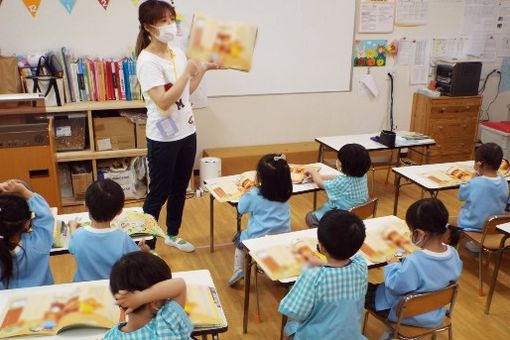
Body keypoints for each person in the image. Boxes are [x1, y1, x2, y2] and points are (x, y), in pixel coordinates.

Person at [136, 0, 219, 252]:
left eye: (172, 19)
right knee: (158, 193)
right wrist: (186, 74)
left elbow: (185, 94)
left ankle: (172, 233)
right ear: (148, 27)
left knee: (180, 187)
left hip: (187, 131)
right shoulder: (147, 61)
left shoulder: (176, 52)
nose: (171, 25)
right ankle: (145, 244)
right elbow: (162, 101)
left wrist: (201, 71)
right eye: (164, 21)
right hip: (162, 138)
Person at [366, 198, 462, 332]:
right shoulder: (453, 253)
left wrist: (393, 265)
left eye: (411, 231)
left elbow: (395, 286)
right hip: (434, 312)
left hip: (404, 313)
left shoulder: (415, 261)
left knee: (363, 289)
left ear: (420, 234)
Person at [278, 209, 368, 340]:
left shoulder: (314, 276)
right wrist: (323, 261)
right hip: (352, 336)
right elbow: (353, 255)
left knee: (289, 328)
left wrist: (312, 264)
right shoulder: (361, 266)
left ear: (322, 247)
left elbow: (295, 311)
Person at [228, 153, 293, 286]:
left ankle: (238, 270)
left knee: (239, 240)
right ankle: (271, 266)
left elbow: (241, 209)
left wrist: (246, 193)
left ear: (260, 177)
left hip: (257, 238)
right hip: (283, 236)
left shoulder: (255, 194)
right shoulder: (285, 192)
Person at [69, 180, 147, 282]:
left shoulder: (78, 236)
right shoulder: (123, 239)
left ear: (85, 206)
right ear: (119, 211)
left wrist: (72, 226)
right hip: (113, 288)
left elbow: (72, 248)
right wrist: (145, 251)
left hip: (83, 289)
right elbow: (138, 261)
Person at [104, 251, 192, 339]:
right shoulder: (166, 321)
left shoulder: (111, 336)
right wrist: (141, 297)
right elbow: (180, 284)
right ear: (155, 303)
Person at [0, 180, 54, 289]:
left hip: (10, 303)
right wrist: (24, 191)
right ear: (27, 222)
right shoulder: (39, 242)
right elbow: (46, 216)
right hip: (43, 299)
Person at [457, 143, 509, 253]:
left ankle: (472, 244)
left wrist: (475, 174)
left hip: (471, 226)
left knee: (450, 223)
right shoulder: (503, 181)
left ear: (480, 163)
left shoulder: (475, 182)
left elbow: (460, 196)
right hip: (494, 227)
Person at [305, 143, 371, 228]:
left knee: (310, 217)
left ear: (342, 165)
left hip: (339, 219)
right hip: (355, 217)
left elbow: (320, 184)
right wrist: (320, 176)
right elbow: (339, 177)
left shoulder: (343, 182)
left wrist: (314, 172)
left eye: (339, 159)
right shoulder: (363, 176)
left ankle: (325, 236)